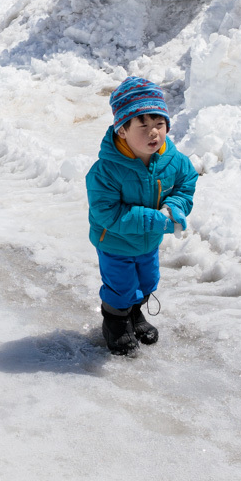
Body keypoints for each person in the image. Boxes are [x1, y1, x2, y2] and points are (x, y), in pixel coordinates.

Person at [86, 76, 199, 355]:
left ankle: (134, 314)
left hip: (148, 242)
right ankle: (115, 323)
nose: (154, 133)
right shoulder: (105, 171)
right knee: (120, 286)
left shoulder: (173, 160)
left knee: (147, 281)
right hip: (114, 242)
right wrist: (155, 220)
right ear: (122, 130)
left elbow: (187, 183)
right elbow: (107, 212)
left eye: (159, 124)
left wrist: (173, 207)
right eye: (143, 125)